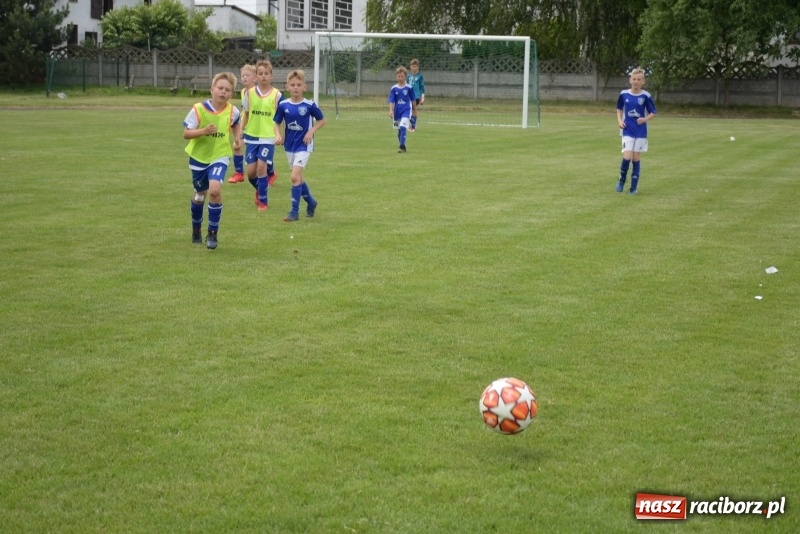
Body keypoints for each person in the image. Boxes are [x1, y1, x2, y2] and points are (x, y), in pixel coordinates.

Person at [182, 72, 242, 249]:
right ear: (212, 89)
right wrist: (203, 131)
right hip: (199, 157)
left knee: (215, 190)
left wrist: (237, 137)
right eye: (220, 88)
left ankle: (212, 233)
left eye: (227, 90)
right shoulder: (198, 109)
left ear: (232, 93)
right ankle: (196, 227)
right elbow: (186, 133)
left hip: (220, 156)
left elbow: (236, 122)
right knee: (200, 195)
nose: (223, 92)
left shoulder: (233, 111)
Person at [274, 69, 326, 222]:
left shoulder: (309, 105)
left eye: (299, 84)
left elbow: (322, 120)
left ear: (304, 87)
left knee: (294, 177)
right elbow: (276, 123)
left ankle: (294, 212)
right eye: (292, 85)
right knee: (299, 178)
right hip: (289, 145)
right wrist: (278, 135)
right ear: (287, 87)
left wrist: (311, 131)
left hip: (304, 145)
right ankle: (311, 202)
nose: (296, 87)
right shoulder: (283, 105)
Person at [242, 59, 282, 211]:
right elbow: (246, 114)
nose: (263, 76)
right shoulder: (249, 93)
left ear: (271, 76)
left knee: (261, 168)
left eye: (266, 73)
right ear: (256, 76)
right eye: (260, 73)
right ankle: (259, 190)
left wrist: (279, 135)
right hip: (251, 136)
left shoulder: (277, 95)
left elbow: (281, 118)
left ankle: (263, 202)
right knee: (251, 172)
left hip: (268, 137)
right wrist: (240, 132)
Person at [616, 68, 656, 194]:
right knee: (627, 157)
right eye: (634, 79)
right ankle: (622, 180)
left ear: (643, 81)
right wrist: (620, 121)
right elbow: (619, 108)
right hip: (627, 130)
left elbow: (653, 112)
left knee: (636, 158)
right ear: (630, 80)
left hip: (640, 132)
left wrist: (644, 119)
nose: (636, 81)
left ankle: (633, 188)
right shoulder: (624, 94)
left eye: (639, 79)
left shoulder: (645, 96)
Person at [228, 63, 256, 184]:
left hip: (253, 126)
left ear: (254, 78)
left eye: (247, 75)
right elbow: (246, 110)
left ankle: (270, 173)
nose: (244, 78)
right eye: (243, 75)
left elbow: (250, 112)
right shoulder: (244, 91)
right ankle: (239, 173)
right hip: (245, 124)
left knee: (257, 154)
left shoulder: (256, 92)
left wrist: (241, 127)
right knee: (236, 146)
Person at [388, 66, 417, 153]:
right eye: (399, 76)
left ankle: (401, 147)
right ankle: (403, 146)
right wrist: (391, 110)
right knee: (399, 131)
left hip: (406, 110)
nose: (400, 78)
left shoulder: (409, 88)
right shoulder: (394, 88)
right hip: (397, 112)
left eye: (402, 76)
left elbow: (413, 99)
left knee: (403, 127)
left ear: (405, 77)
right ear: (396, 76)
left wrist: (415, 110)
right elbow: (391, 100)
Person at [406, 59, 426, 132]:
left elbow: (422, 87)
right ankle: (413, 124)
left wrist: (422, 98)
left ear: (417, 67)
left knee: (412, 109)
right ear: (410, 67)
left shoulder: (420, 77)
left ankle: (412, 126)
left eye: (415, 66)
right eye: (412, 66)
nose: (414, 68)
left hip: (416, 96)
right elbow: (406, 86)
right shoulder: (408, 76)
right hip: (408, 96)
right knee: (412, 110)